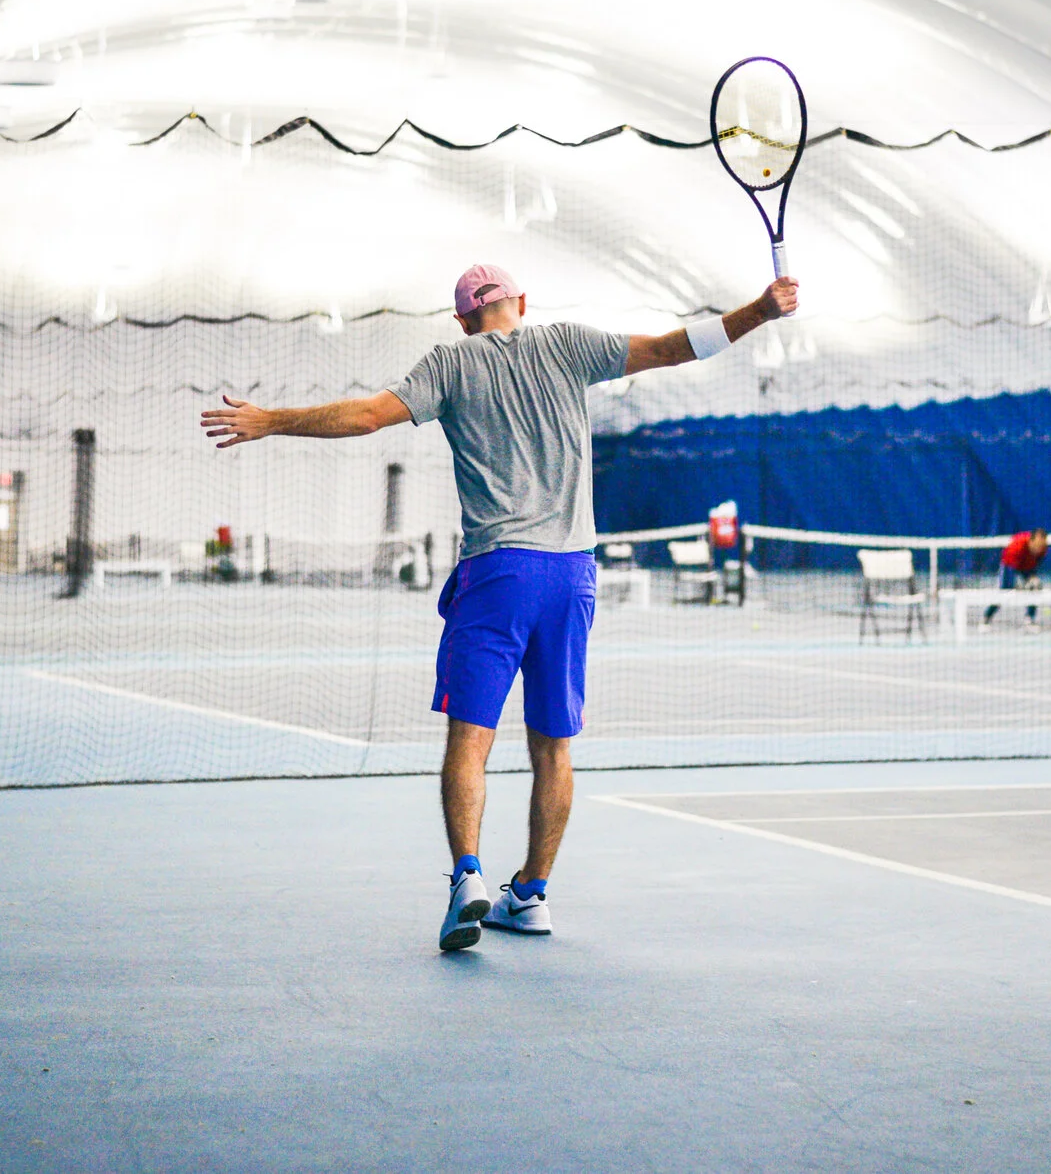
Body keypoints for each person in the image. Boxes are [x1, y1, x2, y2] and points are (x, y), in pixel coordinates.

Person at [202, 262, 799, 951]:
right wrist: (759, 309)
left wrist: (268, 420)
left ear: (462, 319)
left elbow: (368, 416)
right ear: (521, 302)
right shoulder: (570, 343)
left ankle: (467, 876)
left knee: (470, 740)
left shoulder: (450, 362)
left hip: (498, 572)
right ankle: (533, 893)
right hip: (572, 575)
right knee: (554, 746)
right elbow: (673, 347)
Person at [983, 526, 1050, 628]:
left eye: (1041, 546)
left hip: (1028, 566)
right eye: (1037, 546)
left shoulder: (1043, 549)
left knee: (1035, 587)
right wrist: (1019, 586)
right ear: (1030, 541)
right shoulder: (1016, 546)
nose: (1039, 549)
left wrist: (1032, 580)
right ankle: (987, 617)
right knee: (1005, 591)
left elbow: (1036, 564)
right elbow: (1010, 571)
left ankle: (1030, 619)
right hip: (1009, 564)